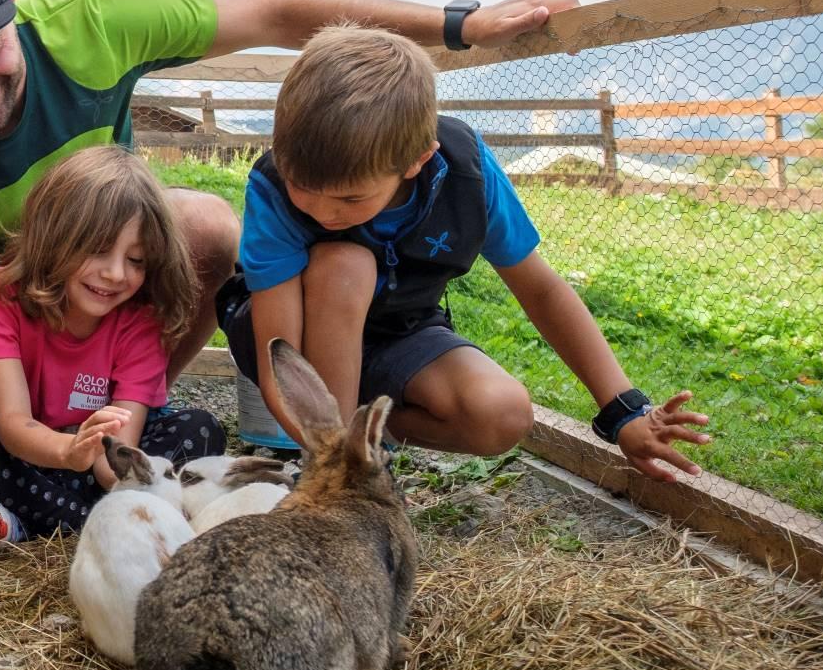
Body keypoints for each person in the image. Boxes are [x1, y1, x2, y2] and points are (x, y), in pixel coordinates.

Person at [0, 0, 576, 570]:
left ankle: (126, 423)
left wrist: (460, 24)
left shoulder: (90, 27)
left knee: (209, 230)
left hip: (101, 292)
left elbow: (276, 13)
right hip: (3, 310)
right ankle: (34, 436)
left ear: (15, 18)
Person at [224, 24, 711, 478]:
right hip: (300, 337)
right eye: (301, 187)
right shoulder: (271, 188)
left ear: (418, 160)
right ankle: (341, 462)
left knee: (501, 413)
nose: (322, 213)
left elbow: (541, 288)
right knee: (345, 263)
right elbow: (276, 357)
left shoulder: (465, 172)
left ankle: (370, 439)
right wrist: (334, 459)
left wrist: (622, 408)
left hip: (401, 330)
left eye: (351, 199)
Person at [0, 146, 226, 551]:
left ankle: (20, 519)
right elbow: (13, 424)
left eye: (136, 260)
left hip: (95, 467)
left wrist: (99, 462)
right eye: (97, 249)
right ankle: (94, 522)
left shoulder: (143, 318)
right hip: (18, 454)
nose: (115, 274)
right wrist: (67, 450)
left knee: (200, 428)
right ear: (55, 237)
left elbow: (117, 459)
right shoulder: (2, 295)